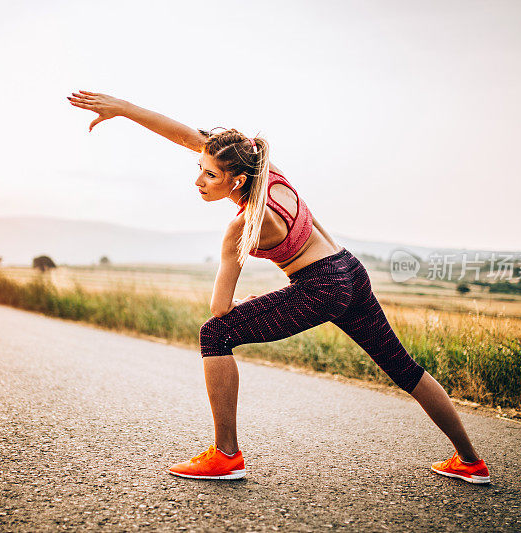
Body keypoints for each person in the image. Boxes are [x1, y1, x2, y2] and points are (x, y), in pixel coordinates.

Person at [66, 90, 491, 484]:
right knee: (404, 368)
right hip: (349, 270)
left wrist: (249, 302)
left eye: (209, 175)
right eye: (199, 170)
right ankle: (471, 462)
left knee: (215, 334)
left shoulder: (243, 226)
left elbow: (219, 310)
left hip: (319, 286)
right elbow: (186, 136)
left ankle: (226, 455)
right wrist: (122, 108)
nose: (198, 180)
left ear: (234, 181)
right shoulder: (268, 172)